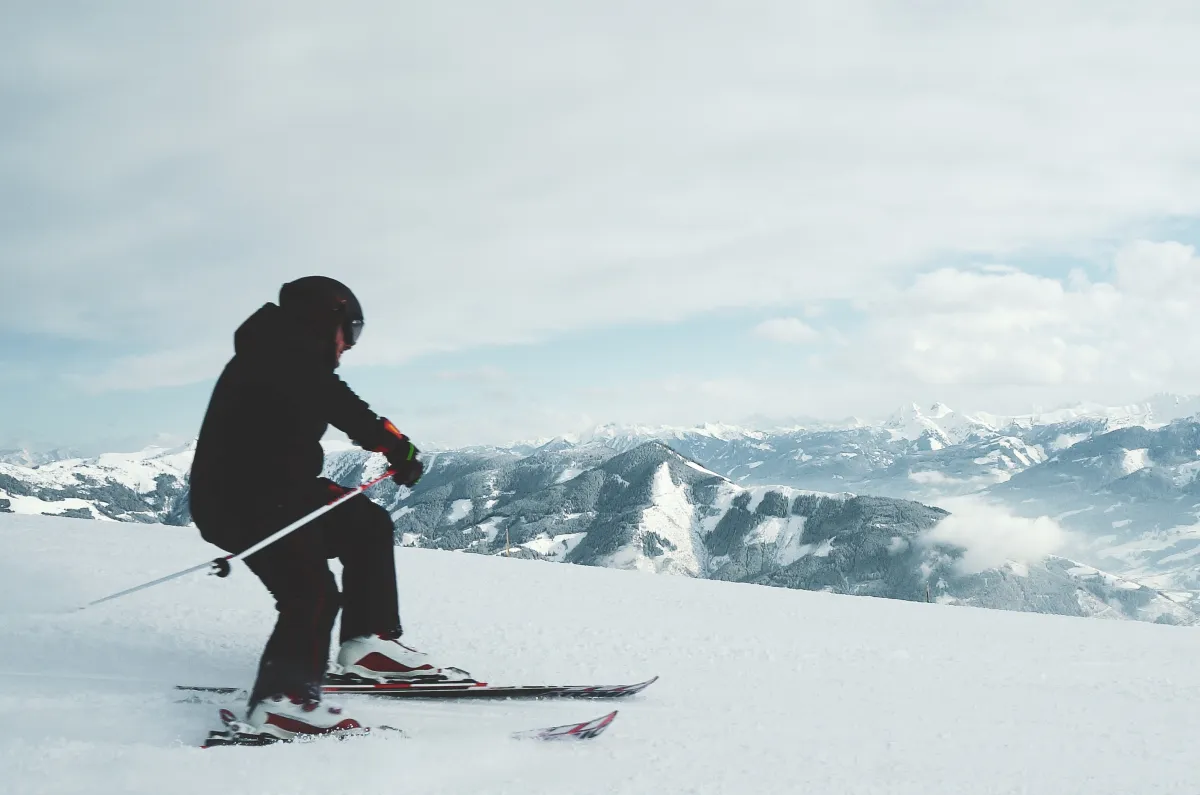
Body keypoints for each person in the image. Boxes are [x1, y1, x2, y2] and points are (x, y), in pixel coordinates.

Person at [188, 276, 443, 739]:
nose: (351, 344)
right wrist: (395, 446)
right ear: (326, 321)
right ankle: (284, 703)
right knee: (310, 592)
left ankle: (369, 644)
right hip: (241, 501)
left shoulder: (286, 356)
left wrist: (394, 446)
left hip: (279, 490)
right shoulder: (281, 356)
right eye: (353, 330)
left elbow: (331, 398)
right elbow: (341, 405)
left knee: (365, 521)